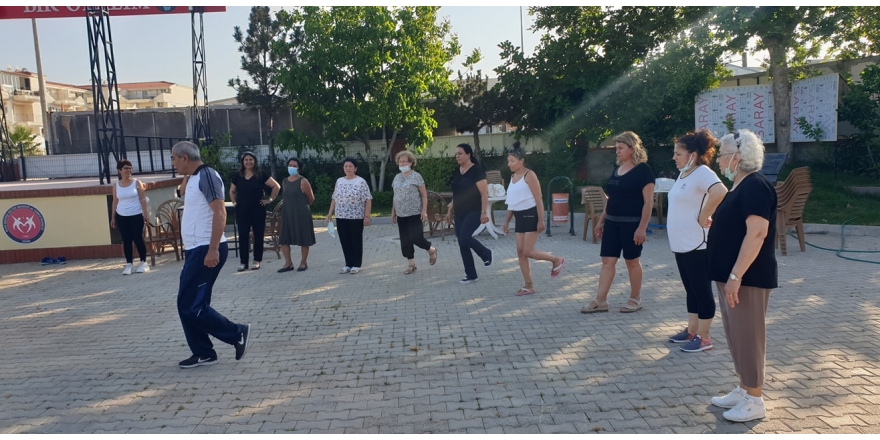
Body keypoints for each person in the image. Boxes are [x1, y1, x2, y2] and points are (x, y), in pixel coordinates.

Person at [706, 129, 777, 422]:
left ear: (737, 157)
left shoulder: (756, 186)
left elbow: (758, 233)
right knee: (736, 335)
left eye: (722, 155)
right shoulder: (739, 186)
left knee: (748, 336)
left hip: (747, 277)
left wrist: (736, 276)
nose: (718, 160)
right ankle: (745, 388)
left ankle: (755, 399)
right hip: (731, 276)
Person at [170, 141, 250, 369]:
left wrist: (213, 249)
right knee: (189, 304)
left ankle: (236, 333)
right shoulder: (194, 178)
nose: (173, 164)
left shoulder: (207, 176)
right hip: (196, 249)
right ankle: (203, 353)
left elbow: (220, 212)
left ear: (184, 157)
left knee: (191, 305)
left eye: (174, 159)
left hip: (206, 249)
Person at [665, 130, 727, 352]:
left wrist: (704, 215)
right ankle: (692, 330)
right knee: (690, 289)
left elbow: (720, 191)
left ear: (693, 155)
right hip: (680, 243)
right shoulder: (684, 174)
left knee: (701, 290)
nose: (674, 157)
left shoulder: (702, 173)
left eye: (678, 153)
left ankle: (704, 337)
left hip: (696, 244)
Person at [581, 131, 654, 313]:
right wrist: (601, 222)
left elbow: (648, 202)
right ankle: (601, 300)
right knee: (607, 261)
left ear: (632, 148)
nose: (617, 151)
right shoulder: (617, 170)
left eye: (621, 148)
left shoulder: (644, 171)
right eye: (616, 148)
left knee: (632, 261)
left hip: (632, 224)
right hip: (612, 223)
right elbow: (612, 199)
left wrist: (642, 228)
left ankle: (635, 299)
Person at [501, 145, 565, 296]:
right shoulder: (512, 177)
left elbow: (538, 198)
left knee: (528, 251)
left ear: (521, 161)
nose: (509, 164)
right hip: (519, 217)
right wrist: (506, 222)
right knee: (520, 252)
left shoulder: (529, 175)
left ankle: (556, 259)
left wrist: (541, 220)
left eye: (512, 161)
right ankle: (528, 285)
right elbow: (512, 203)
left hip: (531, 215)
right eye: (508, 161)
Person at [445, 143, 493, 284]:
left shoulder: (476, 171)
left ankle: (486, 253)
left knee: (464, 238)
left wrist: (484, 212)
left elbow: (484, 194)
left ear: (468, 154)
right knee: (462, 243)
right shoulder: (457, 171)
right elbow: (457, 194)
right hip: (460, 212)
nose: (457, 156)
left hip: (474, 211)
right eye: (456, 154)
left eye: (460, 153)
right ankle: (471, 274)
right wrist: (449, 210)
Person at [229, 152, 280, 272]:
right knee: (243, 235)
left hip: (258, 209)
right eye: (246, 160)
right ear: (242, 162)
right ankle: (243, 262)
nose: (248, 162)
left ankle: (257, 260)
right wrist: (234, 203)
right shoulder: (238, 175)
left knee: (258, 235)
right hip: (242, 210)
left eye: (251, 159)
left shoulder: (261, 174)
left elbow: (276, 186)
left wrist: (269, 200)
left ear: (255, 161)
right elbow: (232, 191)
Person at [391, 150, 438, 274]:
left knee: (416, 237)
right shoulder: (397, 177)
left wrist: (424, 210)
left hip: (414, 213)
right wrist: (393, 212)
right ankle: (411, 265)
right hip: (401, 214)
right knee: (405, 240)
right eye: (400, 161)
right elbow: (395, 196)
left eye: (404, 161)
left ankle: (431, 249)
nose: (402, 163)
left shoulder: (416, 176)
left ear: (410, 163)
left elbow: (424, 195)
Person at [326, 158, 372, 274]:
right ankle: (348, 264)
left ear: (355, 168)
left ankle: (356, 264)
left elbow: (368, 199)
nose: (348, 168)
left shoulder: (361, 181)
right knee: (344, 240)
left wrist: (367, 216)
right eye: (346, 166)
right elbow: (334, 198)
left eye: (350, 166)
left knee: (356, 240)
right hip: (341, 216)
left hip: (356, 216)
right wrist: (330, 213)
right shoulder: (339, 181)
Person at [110, 159, 150, 275]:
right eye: (125, 168)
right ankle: (129, 264)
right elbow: (115, 201)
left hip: (136, 214)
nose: (128, 170)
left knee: (138, 238)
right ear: (119, 171)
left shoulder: (137, 182)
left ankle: (143, 262)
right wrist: (113, 217)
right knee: (126, 240)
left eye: (130, 168)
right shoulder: (116, 185)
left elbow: (142, 199)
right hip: (122, 216)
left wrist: (145, 214)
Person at [278, 158, 316, 273]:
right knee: (283, 239)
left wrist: (302, 207)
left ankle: (303, 263)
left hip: (301, 214)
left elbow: (311, 198)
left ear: (299, 167)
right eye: (290, 165)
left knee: (304, 238)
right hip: (287, 214)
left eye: (294, 166)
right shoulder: (284, 181)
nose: (292, 167)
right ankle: (288, 263)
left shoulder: (303, 181)